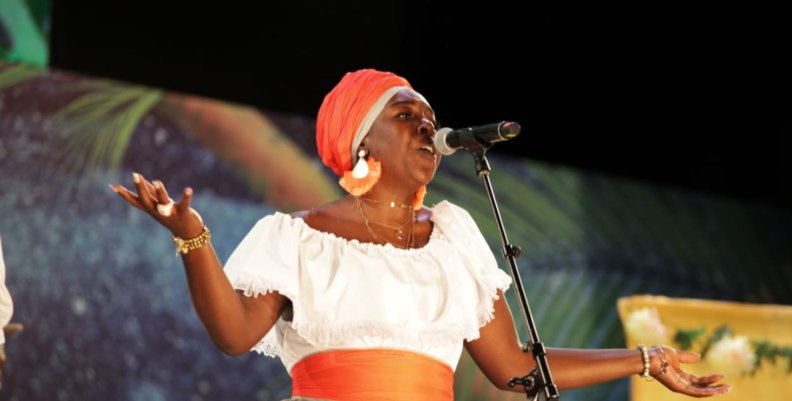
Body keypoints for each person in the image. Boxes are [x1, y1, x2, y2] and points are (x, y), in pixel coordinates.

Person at [110, 69, 730, 400]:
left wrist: (646, 361)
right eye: (406, 116)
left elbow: (514, 368)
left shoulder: (455, 235)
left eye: (431, 120)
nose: (428, 129)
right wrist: (193, 236)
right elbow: (235, 335)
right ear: (360, 141)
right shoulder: (296, 237)